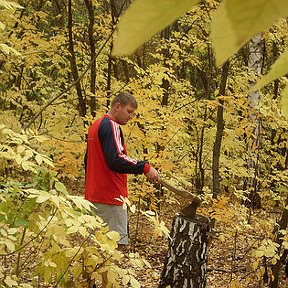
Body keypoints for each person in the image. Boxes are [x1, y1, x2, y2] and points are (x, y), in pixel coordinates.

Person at [84, 91, 160, 287]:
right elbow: (116, 159)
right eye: (129, 111)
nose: (131, 116)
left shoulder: (95, 126)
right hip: (111, 199)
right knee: (114, 250)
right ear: (116, 106)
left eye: (133, 113)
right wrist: (145, 167)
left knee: (97, 249)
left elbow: (88, 161)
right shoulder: (111, 126)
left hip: (93, 197)